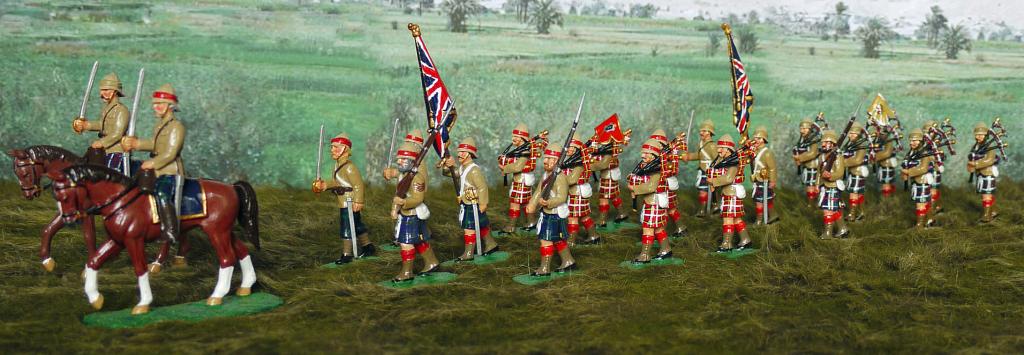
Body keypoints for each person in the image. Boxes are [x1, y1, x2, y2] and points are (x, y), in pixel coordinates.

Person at [121, 84, 185, 244]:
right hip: (157, 168)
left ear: (171, 106)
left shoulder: (176, 127)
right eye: (154, 104)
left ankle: (170, 231)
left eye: (160, 104)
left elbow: (170, 153)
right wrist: (136, 144)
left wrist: (152, 163)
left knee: (162, 193)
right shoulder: (160, 125)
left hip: (169, 169)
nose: (156, 107)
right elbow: (154, 144)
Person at [312, 133, 376, 264]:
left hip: (350, 202)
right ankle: (368, 246)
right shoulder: (337, 166)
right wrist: (325, 185)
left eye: (336, 147)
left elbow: (358, 185)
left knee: (347, 227)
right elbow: (337, 182)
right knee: (357, 225)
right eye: (332, 147)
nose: (332, 150)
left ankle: (347, 254)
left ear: (345, 149)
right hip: (343, 201)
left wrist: (358, 201)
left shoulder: (350, 168)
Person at [389, 142, 440, 282]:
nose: (399, 161)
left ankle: (407, 272)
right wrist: (395, 209)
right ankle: (431, 262)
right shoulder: (402, 175)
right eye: (399, 159)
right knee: (419, 240)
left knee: (406, 243)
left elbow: (418, 198)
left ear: (412, 161)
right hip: (405, 213)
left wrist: (404, 203)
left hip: (412, 215)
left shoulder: (417, 178)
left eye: (403, 159)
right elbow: (399, 193)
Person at [442, 137, 499, 261]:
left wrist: (483, 203)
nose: (460, 154)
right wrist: (448, 167)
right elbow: (452, 174)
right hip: (467, 202)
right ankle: (491, 244)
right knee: (482, 224)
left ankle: (469, 253)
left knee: (469, 228)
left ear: (470, 154)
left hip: (474, 204)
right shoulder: (462, 168)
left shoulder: (474, 170)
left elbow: (482, 187)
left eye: (463, 152)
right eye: (459, 151)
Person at [525, 143, 577, 276]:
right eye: (546, 158)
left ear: (557, 161)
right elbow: (538, 190)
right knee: (558, 240)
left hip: (554, 214)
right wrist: (532, 203)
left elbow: (562, 197)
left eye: (551, 159)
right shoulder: (545, 175)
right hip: (547, 213)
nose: (546, 161)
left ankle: (545, 268)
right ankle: (568, 260)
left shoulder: (560, 177)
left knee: (546, 240)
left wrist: (548, 202)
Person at [72, 73, 130, 173]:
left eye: (106, 90)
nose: (102, 93)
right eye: (102, 90)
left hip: (116, 151)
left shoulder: (121, 110)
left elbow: (117, 134)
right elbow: (102, 125)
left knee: (109, 175)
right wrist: (86, 125)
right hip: (104, 150)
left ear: (115, 91)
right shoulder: (107, 108)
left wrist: (101, 143)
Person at [626, 138, 672, 263]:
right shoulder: (647, 168)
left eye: (646, 153)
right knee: (658, 228)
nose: (643, 155)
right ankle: (666, 249)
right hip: (651, 202)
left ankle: (645, 254)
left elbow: (650, 187)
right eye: (643, 152)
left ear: (654, 155)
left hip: (654, 202)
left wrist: (634, 188)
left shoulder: (656, 171)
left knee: (648, 228)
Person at [816, 130, 849, 238]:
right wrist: (817, 184)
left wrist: (830, 176)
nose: (824, 144)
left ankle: (828, 233)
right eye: (823, 142)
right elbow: (818, 172)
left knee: (828, 210)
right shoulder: (821, 156)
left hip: (833, 186)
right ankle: (843, 228)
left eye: (827, 142)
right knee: (833, 209)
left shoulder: (838, 157)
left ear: (833, 144)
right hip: (824, 187)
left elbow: (840, 173)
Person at [968, 122, 1001, 223]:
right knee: (987, 193)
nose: (978, 136)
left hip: (988, 172)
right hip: (980, 173)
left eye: (981, 134)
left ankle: (987, 215)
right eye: (977, 134)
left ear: (986, 135)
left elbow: (989, 160)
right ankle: (994, 210)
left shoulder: (990, 146)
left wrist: (976, 164)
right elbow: (972, 155)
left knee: (986, 194)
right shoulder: (977, 146)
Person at [749, 127, 778, 225]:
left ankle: (759, 219)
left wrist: (773, 181)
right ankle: (773, 215)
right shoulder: (754, 151)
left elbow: (772, 168)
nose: (756, 140)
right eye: (755, 138)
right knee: (764, 199)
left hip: (765, 181)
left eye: (759, 138)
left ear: (763, 139)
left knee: (760, 201)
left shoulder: (767, 153)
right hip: (758, 180)